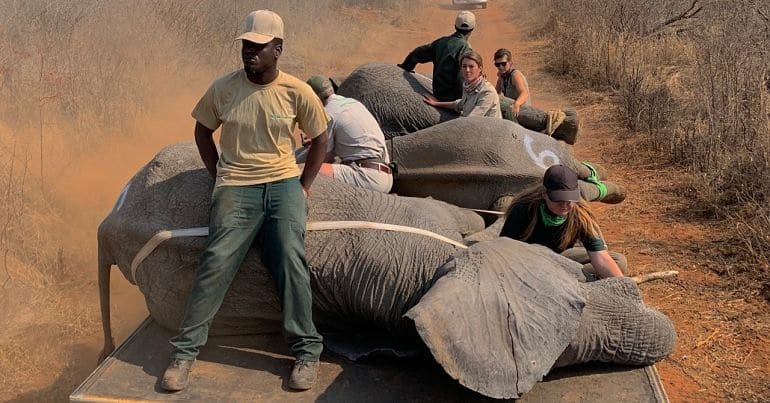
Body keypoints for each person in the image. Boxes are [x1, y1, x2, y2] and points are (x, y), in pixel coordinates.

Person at [161, 10, 328, 392]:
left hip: (283, 181)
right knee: (217, 260)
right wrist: (218, 174)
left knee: (289, 255)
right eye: (246, 46)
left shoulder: (297, 91)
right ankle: (184, 353)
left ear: (278, 49)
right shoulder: (223, 88)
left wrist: (303, 186)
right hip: (236, 184)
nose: (249, 53)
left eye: (258, 46)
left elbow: (320, 138)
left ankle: (306, 351)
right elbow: (202, 132)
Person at [500, 164, 626, 279]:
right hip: (528, 262)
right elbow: (505, 252)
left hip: (561, 259)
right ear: (544, 194)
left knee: (618, 262)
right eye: (559, 200)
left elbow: (601, 258)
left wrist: (625, 289)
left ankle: (570, 280)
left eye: (569, 200)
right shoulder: (523, 209)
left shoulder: (581, 214)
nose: (564, 205)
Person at [295, 75, 393, 193]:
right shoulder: (353, 103)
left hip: (365, 176)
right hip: (387, 176)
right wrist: (315, 141)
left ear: (314, 98)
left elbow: (322, 158)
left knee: (302, 171)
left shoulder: (328, 113)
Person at [397, 11, 475, 102]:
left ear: (455, 26)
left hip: (438, 93)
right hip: (452, 98)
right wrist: (460, 102)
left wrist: (406, 67)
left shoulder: (440, 42)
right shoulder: (466, 48)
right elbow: (461, 77)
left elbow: (416, 54)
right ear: (472, 29)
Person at [423, 50, 502, 118]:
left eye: (471, 66)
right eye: (464, 66)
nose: (467, 70)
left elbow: (471, 120)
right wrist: (437, 103)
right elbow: (460, 104)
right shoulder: (468, 86)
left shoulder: (487, 92)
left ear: (480, 68)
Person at [492, 48, 530, 120]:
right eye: (497, 64)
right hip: (511, 109)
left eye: (503, 64)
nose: (500, 67)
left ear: (510, 63)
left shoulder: (515, 75)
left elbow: (524, 93)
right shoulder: (502, 76)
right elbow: (495, 93)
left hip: (521, 110)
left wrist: (517, 104)